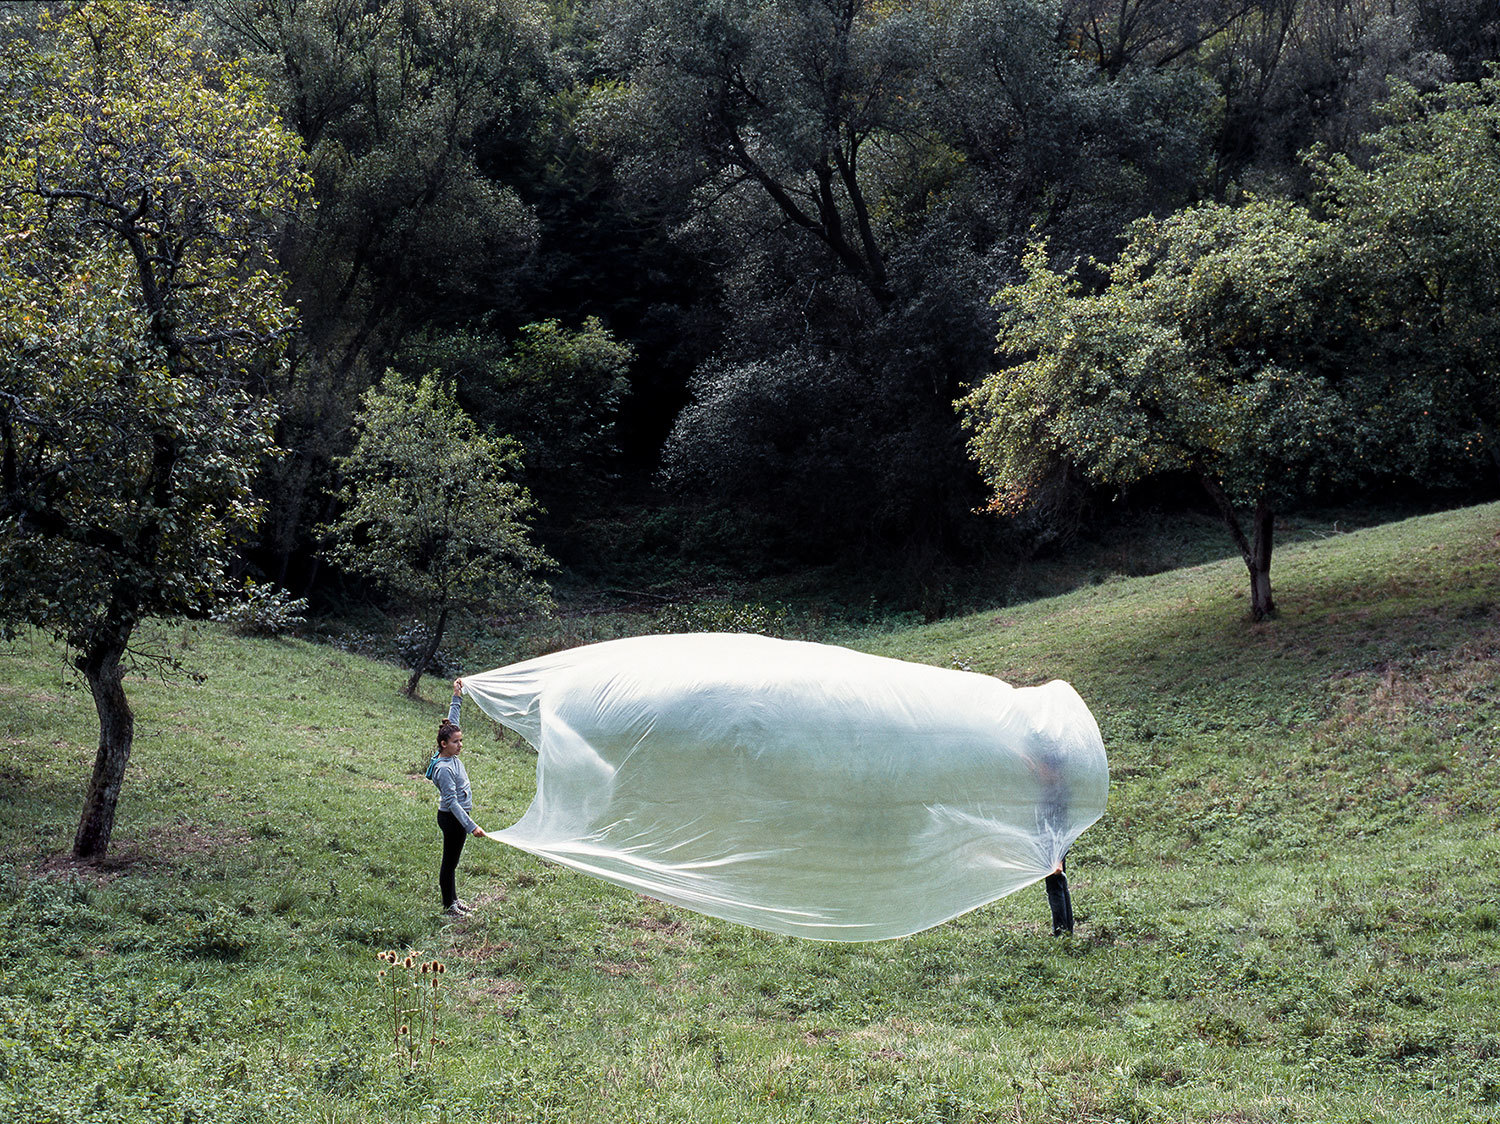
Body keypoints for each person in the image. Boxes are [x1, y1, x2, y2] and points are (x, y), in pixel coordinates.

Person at [432, 677, 486, 916]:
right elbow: (452, 802)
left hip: (458, 818)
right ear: (444, 745)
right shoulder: (444, 768)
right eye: (456, 742)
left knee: (453, 862)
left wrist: (457, 695)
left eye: (461, 740)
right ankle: (449, 906)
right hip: (453, 818)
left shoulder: (448, 749)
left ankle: (453, 899)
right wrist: (470, 826)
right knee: (450, 862)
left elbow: (452, 722)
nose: (460, 745)